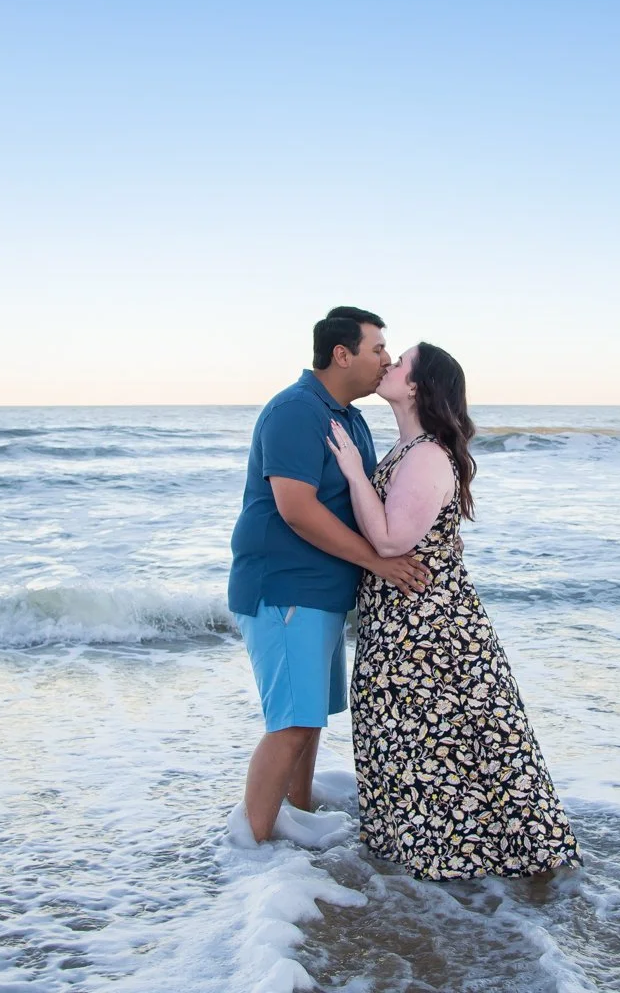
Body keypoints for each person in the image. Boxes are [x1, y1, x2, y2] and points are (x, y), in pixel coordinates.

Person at [326, 342, 582, 879]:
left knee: (442, 742)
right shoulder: (406, 449)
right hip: (405, 622)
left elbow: (393, 541)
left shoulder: (425, 454)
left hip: (431, 630)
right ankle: (435, 863)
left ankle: (471, 869)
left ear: (417, 386)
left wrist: (352, 471)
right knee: (417, 740)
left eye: (401, 363)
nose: (389, 364)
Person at [229, 307, 432, 844]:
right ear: (341, 354)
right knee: (291, 723)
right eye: (377, 350)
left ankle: (296, 816)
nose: (386, 359)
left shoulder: (349, 417)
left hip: (321, 591)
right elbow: (295, 506)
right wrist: (378, 562)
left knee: (310, 715)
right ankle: (251, 850)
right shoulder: (297, 411)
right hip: (284, 587)